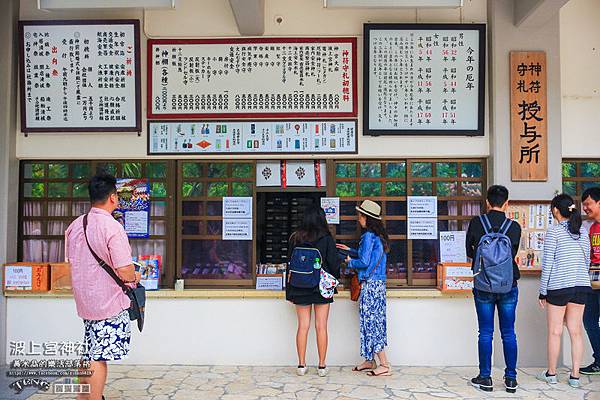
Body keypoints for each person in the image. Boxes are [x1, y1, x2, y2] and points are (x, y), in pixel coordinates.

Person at [65, 173, 139, 400]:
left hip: (85, 301)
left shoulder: (75, 225)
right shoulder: (113, 227)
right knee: (99, 356)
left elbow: (69, 261)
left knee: (88, 351)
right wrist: (136, 274)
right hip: (108, 302)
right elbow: (125, 270)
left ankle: (82, 396)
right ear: (113, 198)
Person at [466, 185, 522, 393]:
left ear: (487, 202)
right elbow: (513, 253)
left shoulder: (476, 223)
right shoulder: (514, 227)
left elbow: (469, 252)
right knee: (508, 332)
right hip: (509, 284)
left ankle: (485, 377)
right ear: (507, 203)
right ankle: (511, 379)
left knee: (485, 332)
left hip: (483, 284)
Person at [537, 194, 591, 388]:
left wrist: (543, 292)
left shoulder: (554, 232)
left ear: (555, 210)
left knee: (555, 331)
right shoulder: (583, 232)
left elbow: (548, 264)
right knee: (576, 331)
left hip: (559, 286)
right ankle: (575, 376)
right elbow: (587, 261)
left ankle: (551, 374)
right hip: (580, 285)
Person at [337, 199, 390, 377]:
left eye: (360, 215)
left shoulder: (368, 236)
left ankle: (384, 364)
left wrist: (349, 261)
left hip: (370, 285)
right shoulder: (378, 237)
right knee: (373, 322)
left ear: (366, 217)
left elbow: (364, 262)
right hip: (379, 285)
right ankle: (369, 360)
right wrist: (351, 250)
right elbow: (370, 256)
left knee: (371, 323)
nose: (358, 218)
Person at [286, 204, 340, 377]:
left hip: (299, 286)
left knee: (303, 326)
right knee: (321, 326)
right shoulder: (326, 238)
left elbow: (289, 264)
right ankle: (322, 366)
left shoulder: (295, 238)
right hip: (320, 287)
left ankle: (301, 365)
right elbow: (334, 263)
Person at [581, 187, 600, 375]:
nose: (585, 208)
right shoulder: (592, 227)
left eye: (588, 204)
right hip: (593, 280)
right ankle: (599, 360)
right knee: (589, 320)